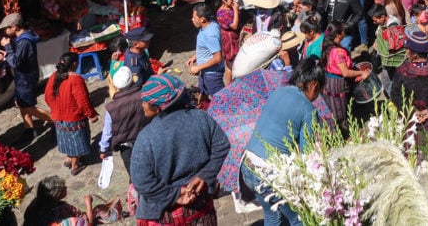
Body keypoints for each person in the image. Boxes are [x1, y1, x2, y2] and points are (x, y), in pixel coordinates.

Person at [130, 73, 230, 225]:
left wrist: (175, 194)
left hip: (165, 213)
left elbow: (141, 182)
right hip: (200, 204)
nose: (142, 104)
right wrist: (204, 175)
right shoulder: (201, 118)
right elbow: (222, 145)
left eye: (146, 101)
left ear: (158, 108)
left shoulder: (146, 138)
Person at [242, 57, 326, 226]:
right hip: (268, 174)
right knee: (300, 219)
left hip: (247, 166)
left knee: (273, 217)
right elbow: (307, 156)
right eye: (319, 91)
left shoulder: (278, 92)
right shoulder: (308, 110)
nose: (317, 97)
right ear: (314, 85)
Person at [0, 12, 52, 141]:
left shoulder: (24, 41)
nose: (5, 31)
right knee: (22, 104)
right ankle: (29, 129)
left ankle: (57, 121)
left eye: (6, 28)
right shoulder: (24, 39)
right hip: (23, 76)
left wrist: (7, 47)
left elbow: (15, 62)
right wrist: (6, 55)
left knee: (29, 107)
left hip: (26, 78)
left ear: (15, 27)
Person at [44, 52, 97, 176]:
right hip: (74, 118)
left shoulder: (54, 76)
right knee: (76, 142)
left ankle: (68, 158)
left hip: (59, 118)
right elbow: (83, 100)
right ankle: (75, 165)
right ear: (74, 64)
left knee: (66, 140)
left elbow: (47, 96)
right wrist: (91, 114)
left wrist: (55, 108)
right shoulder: (76, 79)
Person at [99, 66, 150, 182]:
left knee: (134, 175)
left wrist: (103, 149)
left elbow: (107, 131)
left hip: (127, 147)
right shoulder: (144, 95)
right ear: (132, 80)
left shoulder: (111, 108)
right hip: (147, 139)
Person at [321, 22, 368, 134]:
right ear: (338, 35)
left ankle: (334, 131)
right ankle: (344, 135)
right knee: (340, 111)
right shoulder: (339, 52)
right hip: (337, 84)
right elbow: (345, 73)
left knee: (332, 108)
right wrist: (361, 73)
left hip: (329, 82)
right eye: (343, 31)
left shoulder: (328, 46)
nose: (344, 32)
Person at [23, 175, 104, 226]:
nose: (66, 188)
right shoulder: (64, 222)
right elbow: (89, 224)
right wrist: (88, 204)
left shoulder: (35, 204)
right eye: (63, 188)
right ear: (57, 194)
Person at [187, 4, 225, 103]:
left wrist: (198, 68)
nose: (192, 19)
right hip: (205, 72)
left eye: (194, 17)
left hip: (212, 75)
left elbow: (217, 58)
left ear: (202, 19)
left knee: (221, 100)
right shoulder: (212, 24)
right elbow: (207, 48)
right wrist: (195, 57)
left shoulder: (210, 35)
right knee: (202, 96)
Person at [215, 0, 241, 86]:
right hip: (229, 40)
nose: (233, 1)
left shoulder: (228, 9)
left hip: (233, 38)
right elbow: (234, 25)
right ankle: (229, 85)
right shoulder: (222, 13)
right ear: (224, 0)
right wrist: (235, 10)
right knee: (230, 63)